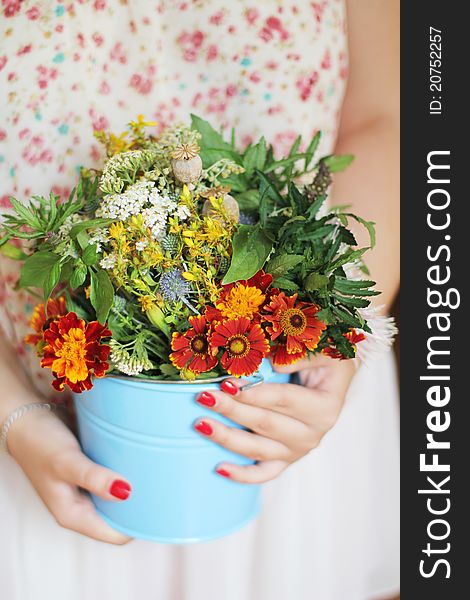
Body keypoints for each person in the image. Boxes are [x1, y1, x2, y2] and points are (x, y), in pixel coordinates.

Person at [0, 1, 399, 599]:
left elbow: (391, 115)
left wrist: (339, 331)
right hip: (34, 436)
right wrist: (12, 408)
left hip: (280, 419)